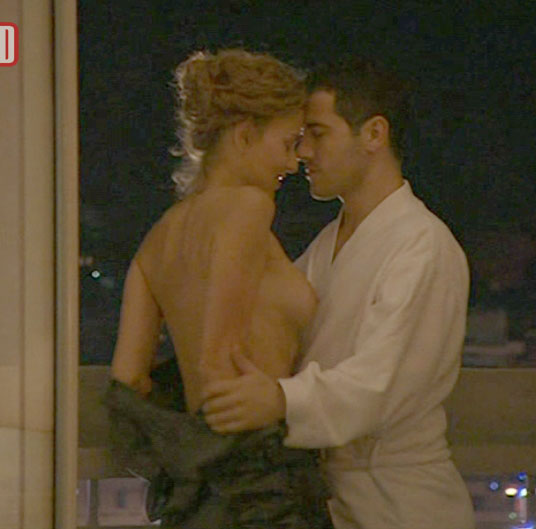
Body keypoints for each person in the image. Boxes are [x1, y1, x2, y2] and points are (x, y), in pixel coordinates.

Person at [202, 59, 477, 529]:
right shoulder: (327, 244)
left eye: (318, 134)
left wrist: (280, 401)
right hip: (328, 494)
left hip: (400, 502)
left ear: (374, 134)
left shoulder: (423, 245)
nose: (303, 151)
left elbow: (379, 383)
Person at [103, 49, 330, 529]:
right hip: (262, 489)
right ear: (244, 134)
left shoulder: (157, 240)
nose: (293, 162)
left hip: (198, 495)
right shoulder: (249, 208)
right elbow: (218, 360)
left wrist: (189, 462)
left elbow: (128, 384)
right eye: (287, 143)